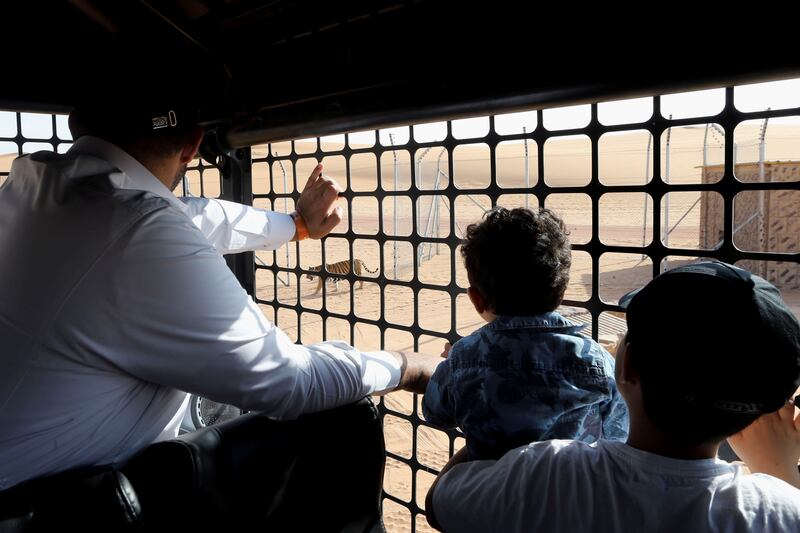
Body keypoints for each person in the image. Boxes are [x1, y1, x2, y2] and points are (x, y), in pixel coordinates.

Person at [0, 99, 440, 493]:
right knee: (334, 419)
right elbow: (286, 380)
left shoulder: (35, 183)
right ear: (193, 144)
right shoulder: (139, 224)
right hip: (51, 509)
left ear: (78, 121)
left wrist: (296, 224)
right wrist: (406, 364)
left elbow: (191, 217)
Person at [425, 261, 800, 532]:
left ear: (629, 365)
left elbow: (438, 504)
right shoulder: (777, 512)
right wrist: (781, 473)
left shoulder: (544, 475)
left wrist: (479, 407)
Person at [422, 207, 628, 460]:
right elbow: (618, 431)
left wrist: (452, 362)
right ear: (561, 291)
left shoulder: (464, 358)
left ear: (476, 299)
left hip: (494, 493)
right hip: (573, 492)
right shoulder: (595, 359)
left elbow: (435, 414)